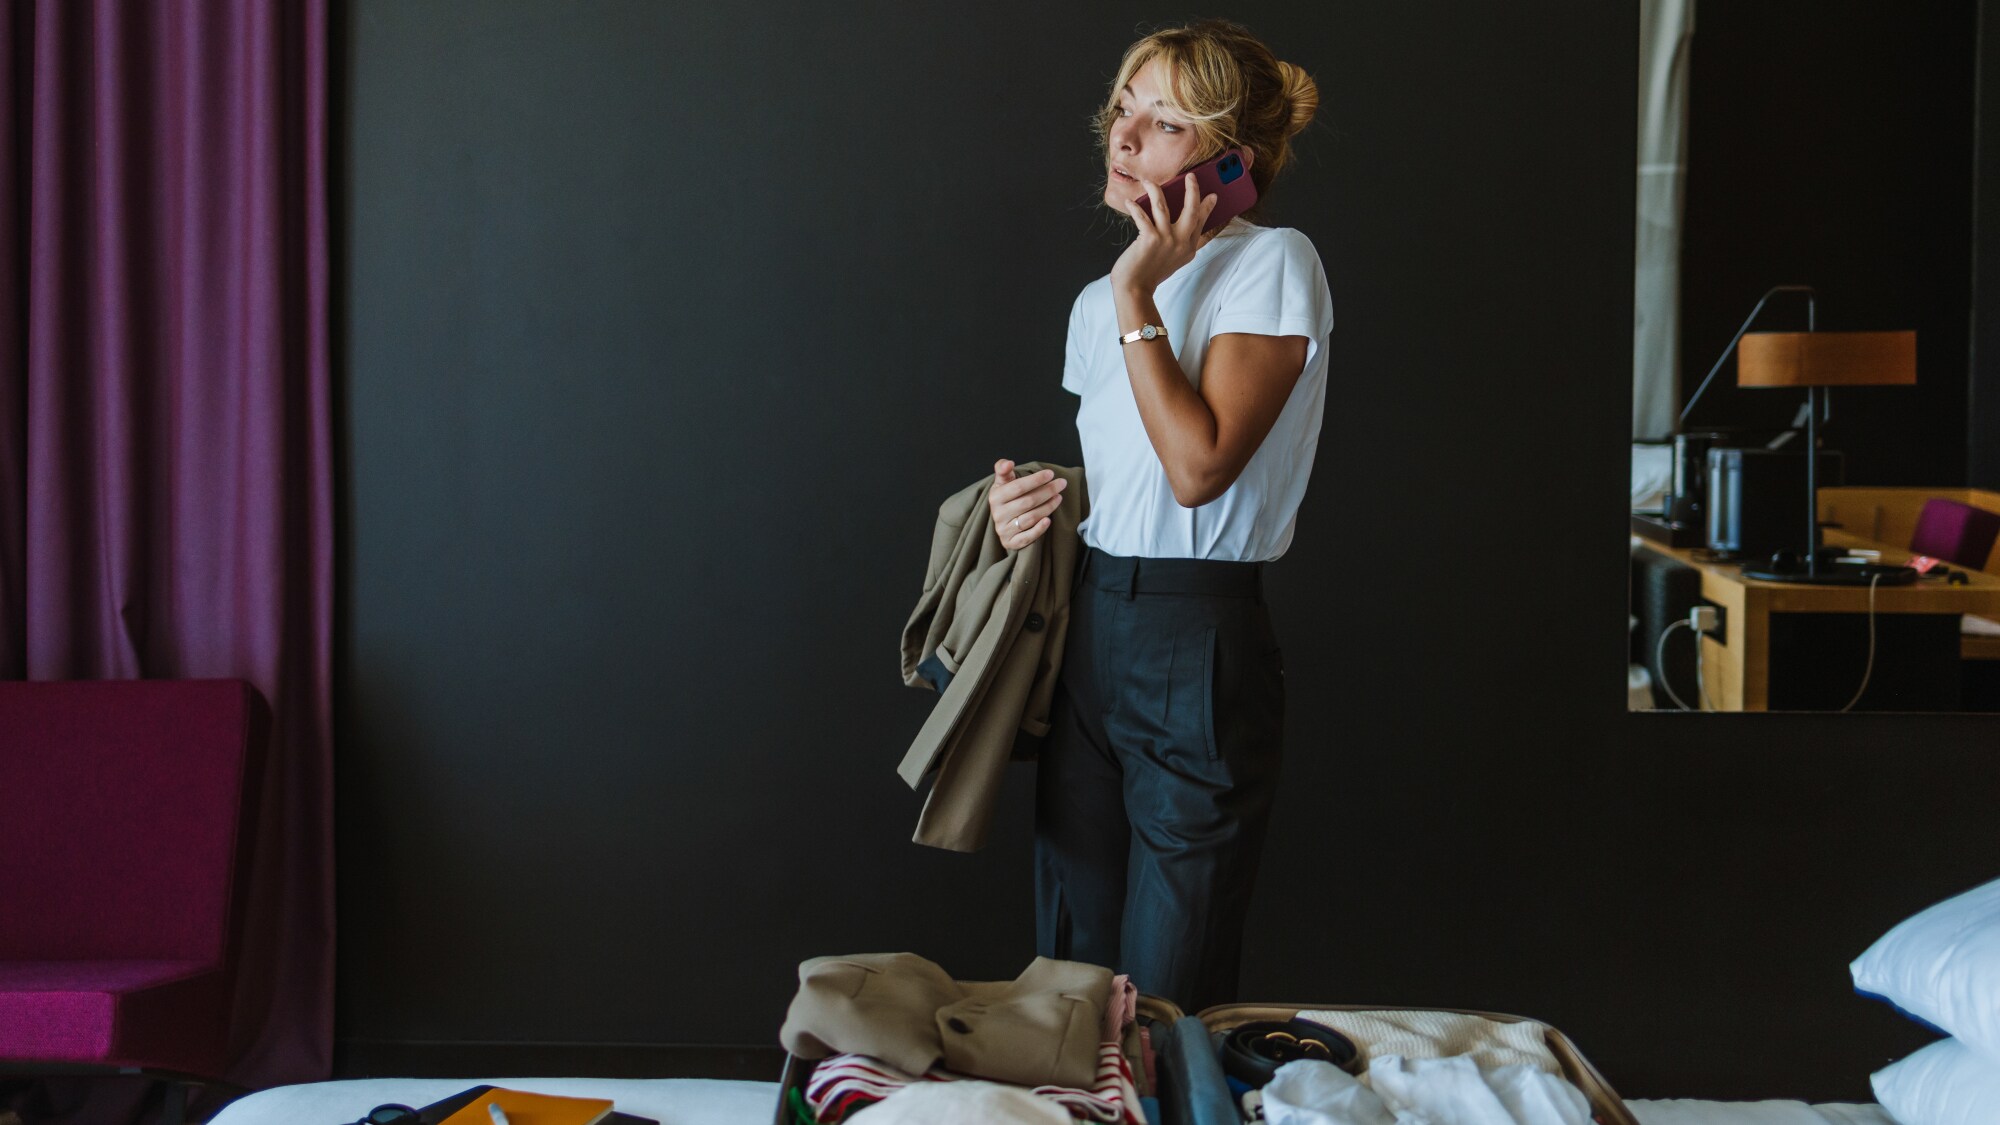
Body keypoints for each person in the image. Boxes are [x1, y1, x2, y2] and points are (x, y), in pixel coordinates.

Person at [986, 18, 1334, 1014]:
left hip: (1196, 636)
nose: (1125, 137)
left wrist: (1136, 285)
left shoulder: (1272, 263)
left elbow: (1195, 470)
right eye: (1122, 109)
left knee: (1165, 988)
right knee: (1071, 969)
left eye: (1165, 121)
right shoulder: (1098, 305)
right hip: (1090, 628)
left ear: (1234, 159)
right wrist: (1032, 513)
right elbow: (1126, 479)